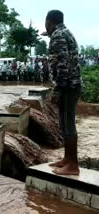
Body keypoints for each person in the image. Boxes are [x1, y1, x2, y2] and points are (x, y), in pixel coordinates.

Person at [46, 10, 82, 175]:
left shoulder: (58, 36)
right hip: (71, 85)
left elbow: (63, 65)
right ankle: (67, 159)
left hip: (67, 87)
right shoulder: (64, 32)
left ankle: (73, 166)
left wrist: (58, 90)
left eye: (46, 24)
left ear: (49, 22)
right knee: (64, 123)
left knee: (68, 124)